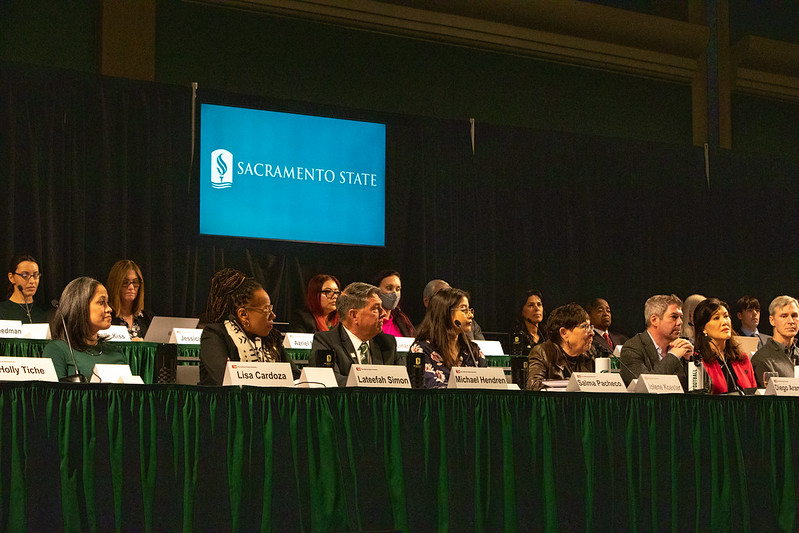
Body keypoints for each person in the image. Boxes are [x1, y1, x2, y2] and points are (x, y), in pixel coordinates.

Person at [199, 268, 300, 386]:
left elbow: (296, 378)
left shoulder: (272, 339)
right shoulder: (215, 335)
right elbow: (225, 380)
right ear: (243, 315)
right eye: (267, 310)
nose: (273, 315)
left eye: (271, 309)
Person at [308, 282, 400, 386]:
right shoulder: (326, 342)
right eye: (375, 308)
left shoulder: (387, 343)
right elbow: (328, 381)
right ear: (354, 315)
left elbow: (403, 379)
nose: (383, 313)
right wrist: (369, 383)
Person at [43, 277, 127, 380]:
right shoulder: (57, 350)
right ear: (80, 306)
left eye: (107, 302)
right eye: (101, 302)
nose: (109, 309)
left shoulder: (116, 352)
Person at [409, 287, 486, 388]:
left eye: (470, 310)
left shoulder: (472, 351)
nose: (470, 315)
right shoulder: (420, 350)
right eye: (463, 309)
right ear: (444, 313)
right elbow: (429, 388)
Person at [619, 294, 693, 388]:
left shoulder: (682, 347)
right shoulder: (632, 348)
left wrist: (691, 361)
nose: (680, 322)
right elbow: (646, 387)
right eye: (674, 317)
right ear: (654, 320)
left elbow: (700, 389)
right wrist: (673, 356)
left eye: (681, 317)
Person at [693, 297, 756, 394]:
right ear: (703, 328)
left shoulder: (742, 358)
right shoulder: (698, 361)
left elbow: (754, 394)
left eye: (726, 316)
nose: (724, 322)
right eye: (716, 318)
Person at [527, 303, 595, 390]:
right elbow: (534, 387)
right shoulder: (542, 352)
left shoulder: (590, 355)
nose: (592, 333)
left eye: (590, 327)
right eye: (585, 327)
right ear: (564, 333)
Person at [751, 295, 799, 386]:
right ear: (772, 320)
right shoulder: (762, 359)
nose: (791, 321)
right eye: (784, 316)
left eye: (794, 315)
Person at [106, 259, 154, 340]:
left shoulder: (147, 318)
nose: (131, 287)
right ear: (115, 285)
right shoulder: (106, 316)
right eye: (125, 282)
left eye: (135, 282)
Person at [0, 254, 49, 323]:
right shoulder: (2, 311)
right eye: (25, 275)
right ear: (11, 277)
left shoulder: (45, 312)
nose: (32, 281)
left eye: (35, 275)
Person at [372, 269, 415, 337]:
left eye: (398, 289)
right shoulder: (368, 322)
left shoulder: (403, 321)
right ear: (376, 291)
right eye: (389, 288)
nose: (394, 294)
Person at [509, 289, 546, 354]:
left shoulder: (547, 336)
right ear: (521, 311)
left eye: (539, 304)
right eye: (531, 305)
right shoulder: (517, 337)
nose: (537, 309)